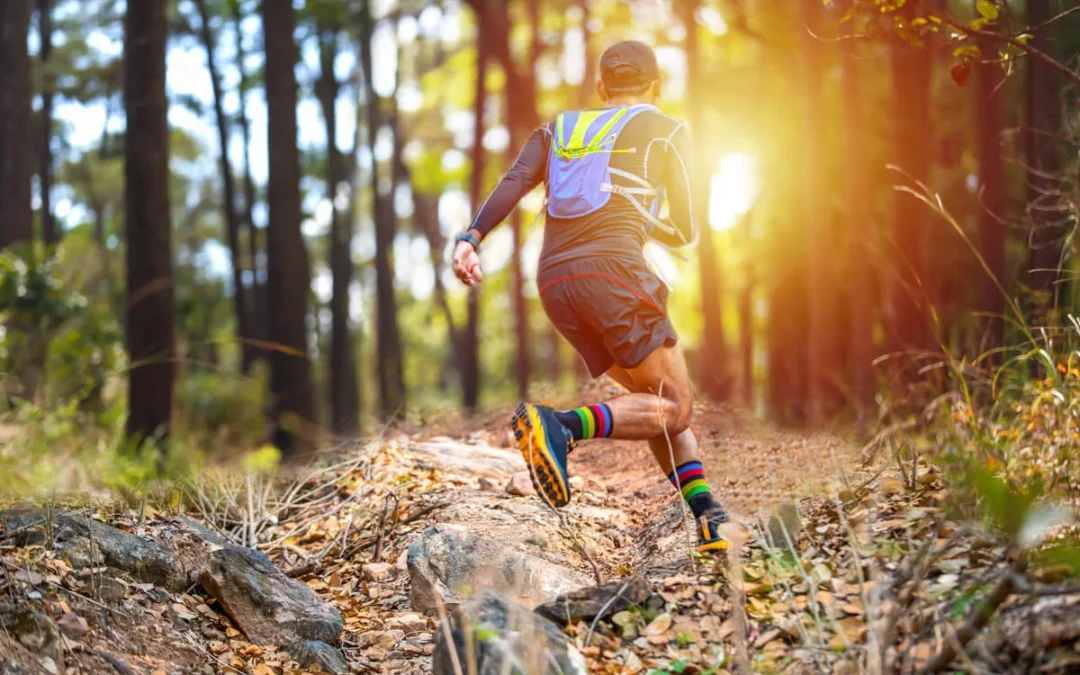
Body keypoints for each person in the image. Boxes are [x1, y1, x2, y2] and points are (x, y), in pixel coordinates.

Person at [451, 40, 729, 553]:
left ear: (601, 89)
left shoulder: (559, 128)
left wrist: (471, 238)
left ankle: (711, 520)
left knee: (655, 402)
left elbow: (515, 180)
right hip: (616, 275)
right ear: (656, 86)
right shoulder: (666, 129)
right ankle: (560, 425)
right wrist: (650, 222)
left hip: (555, 282)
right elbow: (687, 226)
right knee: (678, 407)